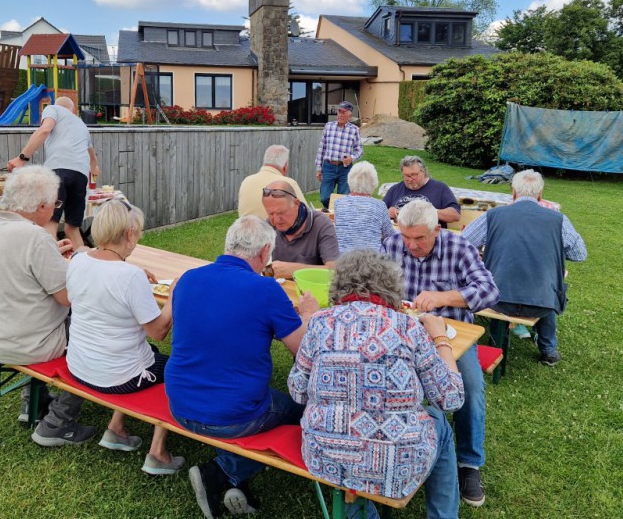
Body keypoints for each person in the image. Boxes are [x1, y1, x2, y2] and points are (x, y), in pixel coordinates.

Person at [289, 250, 465, 519]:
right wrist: (440, 338)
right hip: (398, 467)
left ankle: (358, 506)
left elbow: (297, 391)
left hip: (325, 457)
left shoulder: (319, 323)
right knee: (439, 420)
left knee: (346, 453)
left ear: (339, 285)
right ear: (392, 287)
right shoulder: (408, 327)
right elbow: (450, 398)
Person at [165, 215, 319, 519]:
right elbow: (304, 352)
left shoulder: (188, 278)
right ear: (264, 252)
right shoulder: (265, 289)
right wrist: (309, 316)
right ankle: (222, 471)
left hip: (180, 404)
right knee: (304, 412)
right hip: (231, 414)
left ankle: (237, 483)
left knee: (236, 392)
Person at [381, 200, 499, 508]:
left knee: (470, 387)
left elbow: (489, 290)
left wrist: (443, 297)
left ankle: (469, 463)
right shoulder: (391, 244)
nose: (411, 245)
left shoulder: (459, 247)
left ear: (436, 229)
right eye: (406, 237)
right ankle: (387, 449)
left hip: (452, 335)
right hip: (401, 335)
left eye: (419, 238)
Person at [0, 165, 95, 446]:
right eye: (56, 205)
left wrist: (52, 256)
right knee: (98, 336)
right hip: (26, 343)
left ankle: (33, 403)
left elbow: (15, 269)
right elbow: (67, 298)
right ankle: (58, 423)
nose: (56, 210)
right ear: (41, 206)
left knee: (35, 315)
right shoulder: (35, 238)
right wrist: (82, 264)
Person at [65, 200, 185, 475]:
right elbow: (159, 331)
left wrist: (132, 272)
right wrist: (174, 296)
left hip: (80, 366)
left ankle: (116, 428)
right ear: (130, 234)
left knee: (148, 354)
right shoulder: (130, 277)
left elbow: (98, 269)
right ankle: (157, 453)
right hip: (117, 378)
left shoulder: (78, 260)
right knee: (179, 369)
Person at [462, 170, 587, 366]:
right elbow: (580, 254)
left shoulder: (493, 216)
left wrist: (483, 252)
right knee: (547, 287)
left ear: (513, 192)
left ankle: (496, 345)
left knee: (502, 283)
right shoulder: (558, 220)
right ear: (540, 195)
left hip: (498, 299)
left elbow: (463, 244)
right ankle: (548, 350)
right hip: (542, 303)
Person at [7, 97, 99, 250]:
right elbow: (93, 156)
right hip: (80, 176)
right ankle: (82, 262)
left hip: (58, 171)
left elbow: (44, 130)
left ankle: (48, 262)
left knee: (50, 222)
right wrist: (94, 168)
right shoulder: (81, 125)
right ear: (73, 110)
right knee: (72, 228)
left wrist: (21, 158)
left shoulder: (53, 109)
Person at [262, 180, 339, 279]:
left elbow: (334, 271)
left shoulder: (320, 224)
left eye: (281, 213)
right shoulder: (269, 225)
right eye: (271, 213)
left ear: (296, 204)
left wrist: (293, 270)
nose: (276, 220)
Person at [382, 156, 461, 228]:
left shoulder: (440, 188)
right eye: (406, 176)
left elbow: (455, 215)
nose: (410, 179)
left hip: (429, 236)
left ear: (424, 171)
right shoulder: (395, 189)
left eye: (413, 175)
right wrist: (388, 213)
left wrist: (428, 212)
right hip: (399, 234)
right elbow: (379, 213)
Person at [333, 161, 393, 254]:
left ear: (350, 180)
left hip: (343, 258)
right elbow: (390, 235)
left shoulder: (339, 203)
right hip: (372, 259)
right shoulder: (380, 206)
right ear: (374, 183)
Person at [314, 100, 363, 212]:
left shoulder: (354, 130)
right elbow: (321, 148)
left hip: (345, 169)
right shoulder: (328, 126)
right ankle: (331, 211)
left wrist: (351, 158)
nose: (340, 114)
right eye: (339, 111)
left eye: (343, 112)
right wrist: (318, 168)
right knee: (324, 197)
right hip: (328, 167)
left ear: (349, 115)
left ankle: (338, 216)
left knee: (343, 198)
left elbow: (359, 150)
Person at [238, 144, 307, 219]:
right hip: (274, 226)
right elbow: (306, 214)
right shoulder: (288, 184)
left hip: (246, 226)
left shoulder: (246, 181)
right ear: (285, 166)